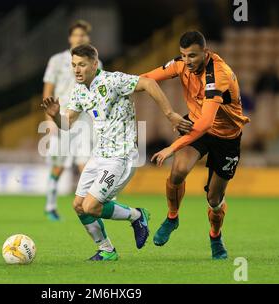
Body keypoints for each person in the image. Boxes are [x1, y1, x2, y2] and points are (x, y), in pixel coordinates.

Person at [41, 44, 192, 261]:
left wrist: (170, 114)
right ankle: (107, 250)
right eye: (74, 65)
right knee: (78, 206)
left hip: (121, 157)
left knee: (91, 206)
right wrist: (55, 116)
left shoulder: (114, 80)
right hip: (99, 155)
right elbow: (67, 125)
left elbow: (148, 82)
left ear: (94, 64)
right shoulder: (79, 90)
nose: (76, 70)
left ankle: (137, 216)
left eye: (82, 65)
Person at [141, 31, 250, 259]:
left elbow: (205, 124)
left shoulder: (218, 74)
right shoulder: (180, 65)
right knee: (178, 171)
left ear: (205, 52)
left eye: (192, 56)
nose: (187, 61)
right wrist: (114, 85)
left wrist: (171, 148)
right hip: (197, 122)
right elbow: (145, 78)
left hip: (226, 136)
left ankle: (215, 236)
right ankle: (172, 218)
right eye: (183, 55)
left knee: (214, 199)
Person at [42, 20, 102, 221]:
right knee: (58, 166)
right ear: (70, 38)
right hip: (62, 117)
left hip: (84, 121)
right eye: (76, 35)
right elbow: (48, 92)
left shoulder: (97, 63)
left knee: (85, 164)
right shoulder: (57, 60)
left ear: (88, 39)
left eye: (83, 36)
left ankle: (87, 205)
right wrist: (50, 121)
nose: (79, 38)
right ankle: (50, 205)